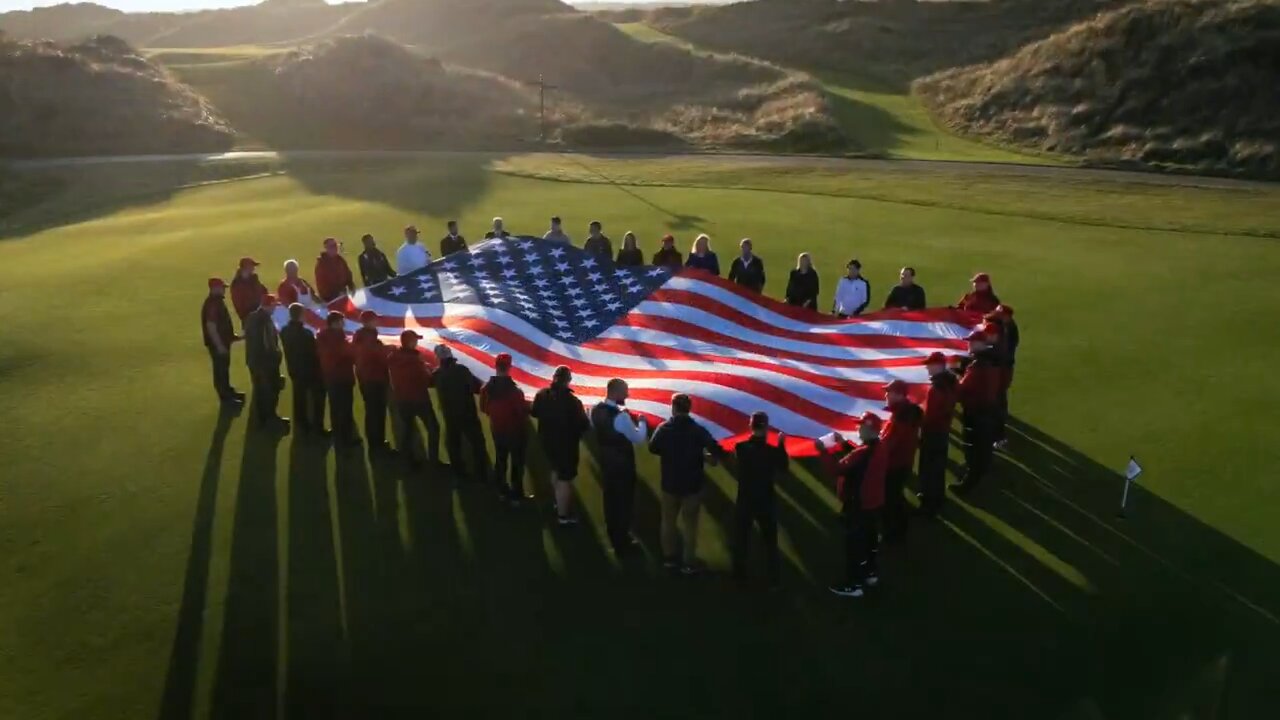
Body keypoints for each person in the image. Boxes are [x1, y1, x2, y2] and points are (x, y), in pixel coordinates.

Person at [648, 393, 726, 575]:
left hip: (670, 482)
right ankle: (688, 563)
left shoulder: (664, 428)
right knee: (690, 524)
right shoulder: (697, 429)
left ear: (673, 407)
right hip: (692, 484)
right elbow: (715, 448)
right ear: (689, 408)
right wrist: (704, 456)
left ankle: (669, 559)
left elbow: (653, 448)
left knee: (668, 521)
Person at [819, 412, 889, 599]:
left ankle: (854, 584)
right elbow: (858, 463)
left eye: (861, 426)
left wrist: (822, 451)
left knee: (855, 545)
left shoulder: (862, 453)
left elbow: (836, 469)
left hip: (859, 505)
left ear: (869, 429)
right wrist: (843, 444)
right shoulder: (881, 447)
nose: (858, 428)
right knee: (870, 540)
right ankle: (870, 573)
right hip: (875, 503)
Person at [591, 378, 649, 554]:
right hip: (622, 464)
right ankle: (622, 539)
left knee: (610, 498)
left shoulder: (594, 409)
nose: (627, 394)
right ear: (615, 392)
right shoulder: (621, 416)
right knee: (623, 501)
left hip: (606, 461)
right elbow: (638, 438)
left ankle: (613, 533)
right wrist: (642, 422)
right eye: (625, 391)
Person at [731, 413, 787, 588]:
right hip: (766, 500)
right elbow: (783, 467)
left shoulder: (740, 448)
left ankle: (739, 575)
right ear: (767, 428)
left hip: (745, 499)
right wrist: (781, 445)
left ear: (750, 425)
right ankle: (774, 577)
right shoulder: (772, 452)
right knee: (770, 541)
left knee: (742, 538)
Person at [531, 366, 590, 525]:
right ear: (568, 380)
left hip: (547, 442)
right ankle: (563, 516)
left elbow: (534, 412)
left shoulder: (542, 394)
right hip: (566, 445)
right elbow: (583, 425)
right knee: (565, 478)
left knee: (555, 470)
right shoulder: (573, 402)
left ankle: (558, 500)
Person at [955, 324, 1003, 492]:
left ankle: (970, 481)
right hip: (989, 408)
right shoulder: (993, 360)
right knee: (984, 445)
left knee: (973, 446)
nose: (969, 345)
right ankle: (982, 469)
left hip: (976, 411)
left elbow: (962, 389)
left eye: (971, 342)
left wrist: (955, 379)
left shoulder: (977, 366)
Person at [432, 345, 489, 481]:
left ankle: (458, 471)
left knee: (454, 443)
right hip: (467, 411)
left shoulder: (437, 374)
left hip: (450, 413)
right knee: (477, 442)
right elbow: (475, 386)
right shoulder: (462, 370)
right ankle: (481, 472)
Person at [480, 354, 531, 505]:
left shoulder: (486, 388)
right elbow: (521, 413)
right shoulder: (515, 391)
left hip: (497, 429)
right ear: (509, 367)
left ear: (495, 366)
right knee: (517, 463)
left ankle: (501, 491)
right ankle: (516, 495)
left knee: (501, 460)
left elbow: (483, 408)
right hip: (515, 432)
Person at [388, 330, 442, 468]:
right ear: (411, 342)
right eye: (415, 340)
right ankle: (433, 461)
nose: (417, 342)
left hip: (401, 399)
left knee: (407, 430)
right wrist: (429, 370)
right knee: (434, 429)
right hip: (419, 399)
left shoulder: (393, 357)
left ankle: (407, 460)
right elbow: (426, 381)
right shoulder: (415, 360)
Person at [880, 379, 922, 542]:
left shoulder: (900, 418)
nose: (886, 395)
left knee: (890, 499)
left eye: (888, 392)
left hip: (894, 465)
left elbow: (889, 444)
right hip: (904, 462)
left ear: (898, 395)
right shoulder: (908, 413)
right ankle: (901, 524)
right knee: (895, 494)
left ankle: (894, 534)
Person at [916, 351, 958, 516]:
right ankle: (938, 497)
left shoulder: (936, 389)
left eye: (929, 365)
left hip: (932, 432)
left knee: (928, 467)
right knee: (938, 467)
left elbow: (930, 415)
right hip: (943, 430)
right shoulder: (951, 382)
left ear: (938, 366)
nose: (927, 368)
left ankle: (928, 503)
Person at [280, 302, 327, 437]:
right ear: (301, 315)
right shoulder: (306, 334)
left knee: (299, 397)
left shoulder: (284, 331)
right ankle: (317, 427)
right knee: (317, 399)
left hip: (294, 369)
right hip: (309, 370)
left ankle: (301, 425)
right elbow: (314, 353)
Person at [243, 294, 288, 429]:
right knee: (269, 391)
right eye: (274, 305)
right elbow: (268, 344)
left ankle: (262, 420)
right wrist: (277, 356)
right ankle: (269, 420)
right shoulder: (264, 321)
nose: (275, 309)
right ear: (269, 305)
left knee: (260, 392)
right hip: (265, 363)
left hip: (254, 361)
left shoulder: (252, 317)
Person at [353, 310, 394, 456]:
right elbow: (374, 353)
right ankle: (377, 445)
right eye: (375, 319)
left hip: (367, 378)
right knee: (376, 412)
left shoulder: (362, 336)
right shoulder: (366, 337)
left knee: (373, 411)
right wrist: (389, 349)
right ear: (368, 322)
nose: (377, 322)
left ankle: (376, 442)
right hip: (373, 379)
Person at [317, 310, 361, 447]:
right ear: (335, 323)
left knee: (335, 408)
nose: (344, 324)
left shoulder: (321, 337)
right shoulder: (338, 338)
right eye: (342, 321)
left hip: (329, 377)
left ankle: (338, 436)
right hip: (343, 377)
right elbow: (349, 355)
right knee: (345, 408)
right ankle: (346, 439)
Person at [202, 278, 244, 405]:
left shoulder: (217, 301)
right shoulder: (212, 304)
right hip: (218, 344)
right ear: (214, 288)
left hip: (223, 342)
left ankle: (228, 391)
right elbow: (211, 326)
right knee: (220, 370)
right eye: (222, 287)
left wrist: (232, 337)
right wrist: (219, 345)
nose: (224, 290)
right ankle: (225, 398)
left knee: (224, 368)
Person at [986, 305, 1020, 449]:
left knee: (998, 398)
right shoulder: (1006, 325)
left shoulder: (1008, 332)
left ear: (1007, 316)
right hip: (1001, 368)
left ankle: (1000, 436)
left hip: (1003, 369)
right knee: (998, 397)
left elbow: (1004, 354)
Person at [314, 238, 355, 303]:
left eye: (335, 245)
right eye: (331, 246)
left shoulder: (340, 260)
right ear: (326, 248)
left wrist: (351, 286)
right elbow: (322, 286)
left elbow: (348, 274)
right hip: (331, 301)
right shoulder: (321, 264)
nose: (335, 248)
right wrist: (336, 294)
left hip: (343, 296)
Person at [230, 257, 267, 322]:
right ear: (246, 267)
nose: (253, 268)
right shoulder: (237, 284)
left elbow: (264, 291)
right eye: (252, 266)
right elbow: (239, 304)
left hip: (260, 314)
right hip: (248, 318)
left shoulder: (254, 279)